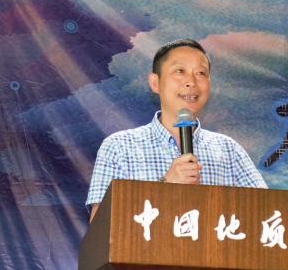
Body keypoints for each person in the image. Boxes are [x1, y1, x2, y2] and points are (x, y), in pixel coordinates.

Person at [86, 38, 267, 220]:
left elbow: (266, 213)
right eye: (180, 71)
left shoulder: (228, 149)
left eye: (201, 73)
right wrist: (164, 187)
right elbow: (100, 225)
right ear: (155, 82)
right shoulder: (119, 147)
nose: (191, 82)